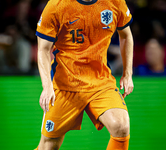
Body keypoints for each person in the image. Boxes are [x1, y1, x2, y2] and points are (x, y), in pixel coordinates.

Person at [35, 0, 134, 149]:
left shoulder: (115, 2)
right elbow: (43, 49)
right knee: (48, 146)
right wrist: (47, 86)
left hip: (100, 81)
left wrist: (128, 74)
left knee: (121, 125)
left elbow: (126, 36)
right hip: (64, 84)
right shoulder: (56, 5)